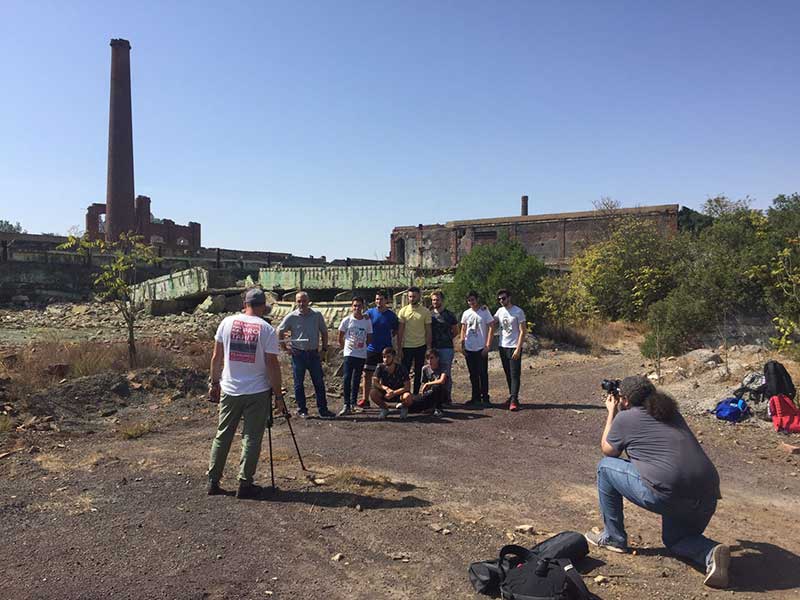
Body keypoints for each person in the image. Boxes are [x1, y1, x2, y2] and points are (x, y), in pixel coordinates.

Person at [585, 376, 730, 589]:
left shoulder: (627, 418)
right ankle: (711, 554)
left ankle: (614, 538)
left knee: (605, 467)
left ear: (624, 400)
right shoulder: (672, 414)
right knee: (675, 540)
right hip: (707, 498)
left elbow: (609, 450)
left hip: (670, 495)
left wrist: (611, 413)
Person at [207, 288, 286, 499]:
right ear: (261, 306)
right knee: (251, 437)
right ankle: (244, 483)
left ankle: (213, 480)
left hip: (230, 389)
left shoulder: (226, 323)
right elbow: (272, 365)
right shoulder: (266, 329)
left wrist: (214, 382)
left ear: (245, 303)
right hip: (257, 391)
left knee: (223, 435)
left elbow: (216, 357)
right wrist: (278, 395)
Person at [277, 291, 336, 419]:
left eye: (303, 301)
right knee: (298, 383)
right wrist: (285, 348)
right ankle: (302, 409)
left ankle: (323, 409)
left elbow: (324, 332)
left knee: (319, 382)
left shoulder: (317, 315)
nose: (301, 304)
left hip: (313, 354)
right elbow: (279, 331)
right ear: (296, 302)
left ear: (308, 301)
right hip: (298, 355)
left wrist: (324, 349)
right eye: (299, 301)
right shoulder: (291, 317)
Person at [360, 290, 399, 409]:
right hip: (371, 348)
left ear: (386, 300)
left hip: (386, 350)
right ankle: (365, 399)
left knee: (386, 375)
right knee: (367, 375)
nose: (379, 301)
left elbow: (396, 329)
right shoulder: (370, 313)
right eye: (377, 299)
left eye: (381, 299)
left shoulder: (391, 315)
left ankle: (386, 400)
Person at [337, 296, 373, 416]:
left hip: (361, 354)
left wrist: (362, 347)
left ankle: (353, 403)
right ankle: (346, 404)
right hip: (349, 353)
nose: (357, 308)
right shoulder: (347, 320)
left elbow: (369, 337)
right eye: (355, 305)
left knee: (357, 379)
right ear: (352, 307)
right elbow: (340, 336)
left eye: (359, 305)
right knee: (347, 378)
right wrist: (345, 348)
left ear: (363, 306)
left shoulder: (367, 321)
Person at [494, 289, 526, 411]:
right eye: (499, 299)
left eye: (504, 298)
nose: (501, 301)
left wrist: (518, 349)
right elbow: (492, 322)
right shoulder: (500, 311)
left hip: (514, 346)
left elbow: (523, 331)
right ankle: (512, 396)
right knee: (508, 373)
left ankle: (514, 400)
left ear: (509, 298)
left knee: (515, 374)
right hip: (503, 346)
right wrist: (483, 310)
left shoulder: (518, 311)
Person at [460, 290, 493, 406]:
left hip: (481, 347)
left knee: (482, 373)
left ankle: (485, 398)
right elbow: (463, 329)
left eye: (472, 300)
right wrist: (462, 345)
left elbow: (491, 327)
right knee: (472, 374)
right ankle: (475, 397)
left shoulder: (484, 311)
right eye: (469, 300)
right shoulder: (466, 313)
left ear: (477, 299)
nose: (471, 302)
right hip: (469, 347)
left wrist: (488, 345)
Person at [394, 348, 447, 419]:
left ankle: (438, 409)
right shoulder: (425, 369)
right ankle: (407, 405)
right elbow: (423, 383)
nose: (430, 360)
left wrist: (428, 384)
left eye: (432, 358)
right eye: (428, 358)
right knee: (415, 408)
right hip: (428, 394)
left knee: (437, 387)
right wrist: (422, 392)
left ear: (437, 358)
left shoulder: (443, 367)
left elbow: (442, 381)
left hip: (442, 393)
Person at [397, 286, 432, 394]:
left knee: (419, 372)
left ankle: (416, 394)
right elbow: (400, 331)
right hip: (407, 346)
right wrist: (399, 348)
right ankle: (405, 394)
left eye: (414, 296)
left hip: (420, 346)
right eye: (410, 297)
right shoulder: (403, 311)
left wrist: (428, 348)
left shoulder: (425, 312)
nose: (412, 299)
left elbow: (428, 331)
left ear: (419, 297)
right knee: (404, 372)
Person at [430, 291, 458, 403]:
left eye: (437, 299)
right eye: (433, 300)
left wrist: (446, 338)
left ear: (442, 300)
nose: (435, 302)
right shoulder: (429, 315)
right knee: (434, 372)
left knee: (445, 373)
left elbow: (456, 331)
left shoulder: (450, 315)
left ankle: (446, 397)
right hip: (433, 348)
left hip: (446, 347)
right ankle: (435, 397)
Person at [369, 347, 411, 419]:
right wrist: (386, 388)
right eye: (384, 357)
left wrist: (394, 393)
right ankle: (385, 409)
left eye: (388, 357)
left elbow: (407, 386)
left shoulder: (401, 368)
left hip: (399, 393)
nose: (386, 359)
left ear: (393, 357)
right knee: (373, 393)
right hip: (386, 393)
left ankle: (404, 408)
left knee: (408, 397)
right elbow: (375, 382)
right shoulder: (380, 367)